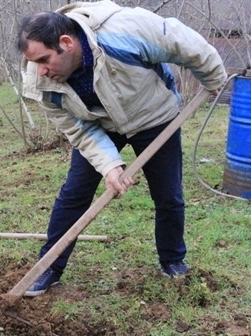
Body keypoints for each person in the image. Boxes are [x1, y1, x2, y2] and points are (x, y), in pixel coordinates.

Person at [17, 0, 226, 297]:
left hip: (155, 118)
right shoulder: (40, 83)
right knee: (75, 192)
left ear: (66, 43)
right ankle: (49, 266)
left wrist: (213, 77)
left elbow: (183, 42)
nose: (40, 71)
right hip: (99, 125)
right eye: (34, 63)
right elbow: (78, 129)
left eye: (44, 60)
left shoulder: (124, 30)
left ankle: (173, 259)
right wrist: (110, 165)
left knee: (168, 194)